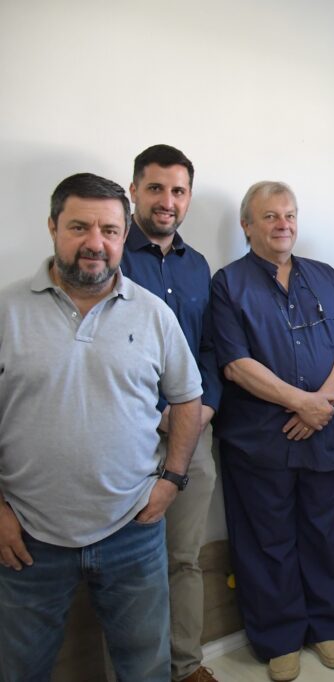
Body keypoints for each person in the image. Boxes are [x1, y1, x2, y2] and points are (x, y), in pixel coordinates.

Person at [0, 173, 202, 681]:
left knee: (145, 669)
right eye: (79, 227)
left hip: (132, 530)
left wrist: (172, 479)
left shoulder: (154, 314)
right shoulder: (7, 311)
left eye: (110, 230)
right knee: (20, 669)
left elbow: (187, 397)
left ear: (123, 234)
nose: (96, 243)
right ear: (52, 227)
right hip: (27, 537)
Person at [209, 181, 334, 682]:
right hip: (260, 440)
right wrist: (302, 403)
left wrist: (322, 405)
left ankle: (326, 627)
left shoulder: (327, 278)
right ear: (247, 225)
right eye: (271, 216)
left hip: (323, 435)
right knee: (267, 542)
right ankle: (278, 638)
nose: (284, 225)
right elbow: (235, 364)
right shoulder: (228, 284)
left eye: (290, 215)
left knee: (325, 535)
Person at [120, 144, 222, 682]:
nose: (167, 201)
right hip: (129, 435)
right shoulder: (110, 256)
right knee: (128, 567)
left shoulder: (197, 265)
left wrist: (205, 407)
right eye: (156, 188)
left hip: (193, 434)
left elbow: (209, 348)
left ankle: (187, 666)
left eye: (178, 191)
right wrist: (159, 411)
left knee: (185, 558)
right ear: (134, 190)